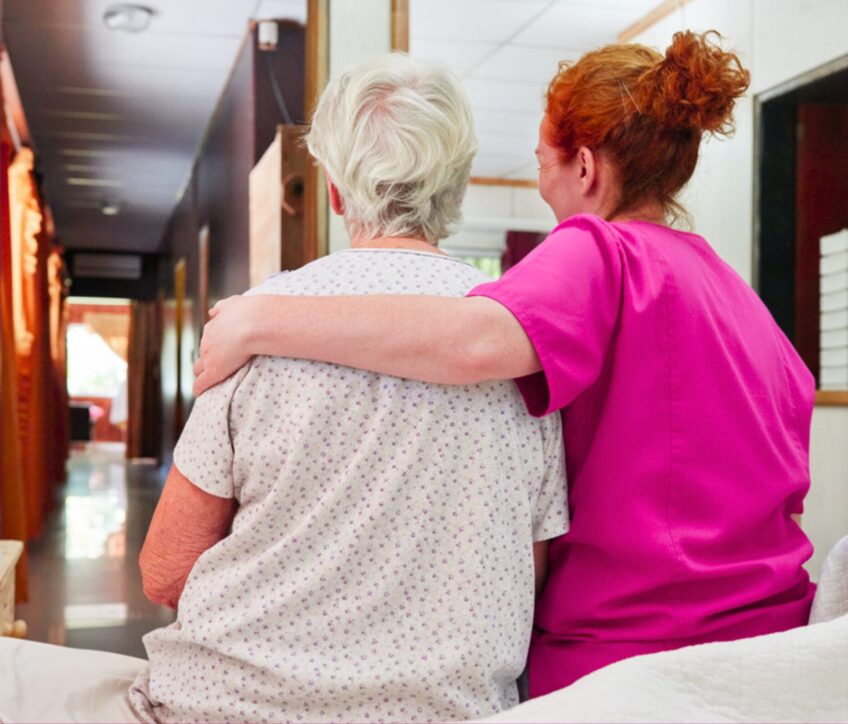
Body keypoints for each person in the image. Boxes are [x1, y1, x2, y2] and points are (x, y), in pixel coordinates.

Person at [194, 30, 816, 697]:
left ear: (584, 167)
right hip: (775, 653)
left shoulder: (600, 252)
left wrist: (256, 320)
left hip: (634, 669)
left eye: (541, 161)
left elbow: (471, 342)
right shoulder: (741, 298)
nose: (542, 185)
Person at [129, 53, 569, 722]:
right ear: (457, 189)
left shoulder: (253, 327)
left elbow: (165, 572)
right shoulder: (520, 344)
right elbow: (523, 575)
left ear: (333, 190)